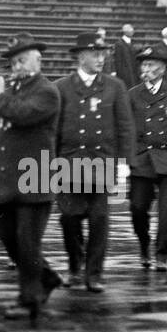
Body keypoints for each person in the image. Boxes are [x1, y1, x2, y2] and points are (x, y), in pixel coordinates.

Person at [0, 33, 64, 322]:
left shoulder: (47, 91)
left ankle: (29, 300)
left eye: (20, 60)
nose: (15, 66)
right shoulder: (12, 88)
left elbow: (23, 114)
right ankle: (47, 277)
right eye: (12, 61)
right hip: (6, 177)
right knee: (6, 235)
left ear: (37, 60)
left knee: (28, 242)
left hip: (35, 175)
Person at [54, 32, 135, 293]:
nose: (101, 59)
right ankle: (75, 265)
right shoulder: (62, 87)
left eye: (103, 54)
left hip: (102, 162)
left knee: (99, 219)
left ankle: (94, 273)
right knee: (69, 218)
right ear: (80, 56)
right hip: (70, 164)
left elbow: (125, 126)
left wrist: (124, 163)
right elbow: (53, 131)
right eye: (95, 54)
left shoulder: (115, 86)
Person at [126, 45, 167, 272]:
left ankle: (162, 255)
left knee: (166, 213)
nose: (146, 69)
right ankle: (144, 244)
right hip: (142, 159)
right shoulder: (132, 94)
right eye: (143, 65)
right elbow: (126, 129)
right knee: (137, 209)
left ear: (162, 68)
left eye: (151, 64)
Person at [112, 23, 139, 88]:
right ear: (125, 31)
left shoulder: (132, 43)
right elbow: (118, 61)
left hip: (133, 72)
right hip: (125, 73)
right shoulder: (119, 44)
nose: (133, 31)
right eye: (131, 30)